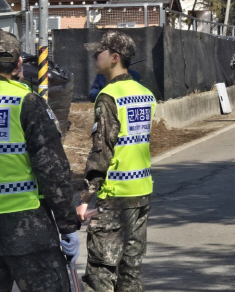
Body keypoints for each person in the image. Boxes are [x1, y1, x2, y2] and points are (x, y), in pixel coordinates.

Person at [0, 31, 80, 292]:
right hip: (27, 227)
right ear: (19, 64)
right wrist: (67, 224)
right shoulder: (25, 102)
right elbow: (52, 169)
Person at [77, 30, 156, 292]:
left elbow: (102, 151)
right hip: (141, 192)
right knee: (131, 271)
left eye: (98, 52)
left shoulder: (109, 96)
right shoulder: (144, 93)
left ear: (114, 57)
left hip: (115, 197)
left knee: (101, 272)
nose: (93, 57)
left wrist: (86, 197)